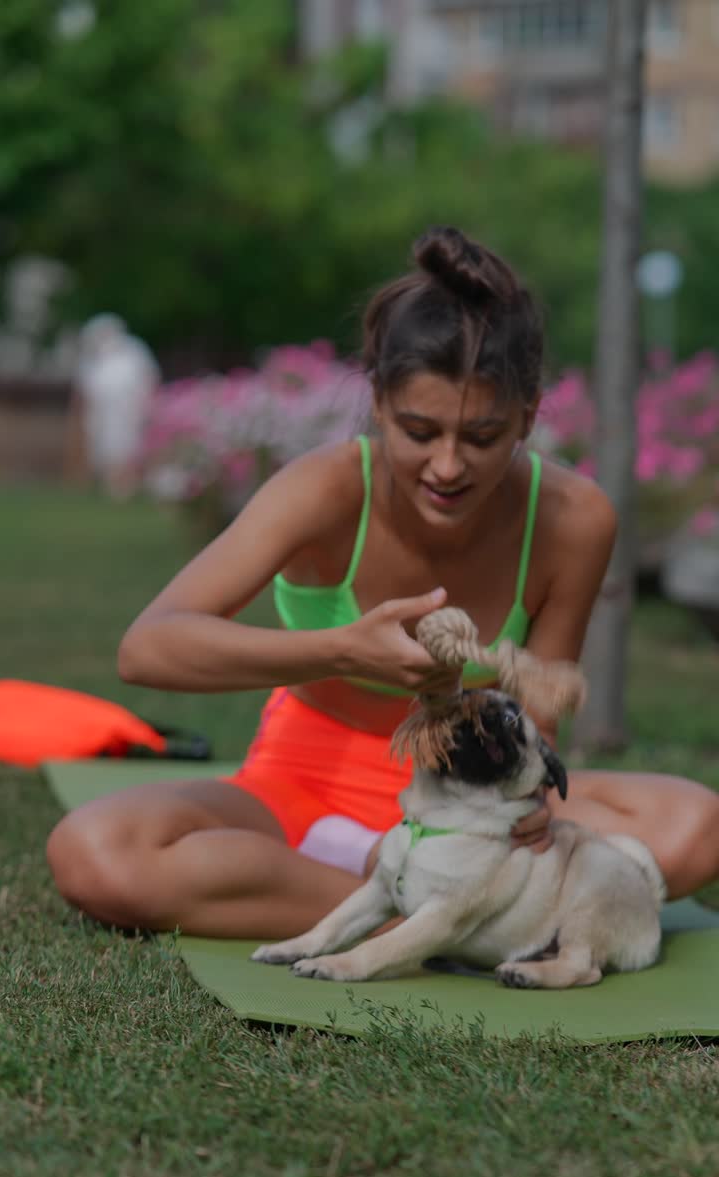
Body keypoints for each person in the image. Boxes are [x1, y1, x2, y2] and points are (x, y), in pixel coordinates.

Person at [47, 227, 719, 939]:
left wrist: (524, 813)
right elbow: (148, 648)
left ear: (529, 412)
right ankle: (441, 911)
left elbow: (537, 714)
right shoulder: (325, 489)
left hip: (473, 808)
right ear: (377, 400)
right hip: (302, 790)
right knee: (97, 854)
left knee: (697, 827)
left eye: (483, 437)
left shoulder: (575, 519)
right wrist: (341, 650)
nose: (449, 466)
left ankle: (429, 902)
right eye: (420, 431)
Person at [69, 314, 160, 499]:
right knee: (107, 450)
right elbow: (85, 391)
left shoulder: (134, 351)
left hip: (131, 412)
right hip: (104, 415)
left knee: (130, 448)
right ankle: (115, 485)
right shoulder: (93, 360)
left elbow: (149, 380)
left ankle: (126, 485)